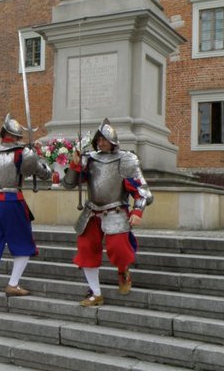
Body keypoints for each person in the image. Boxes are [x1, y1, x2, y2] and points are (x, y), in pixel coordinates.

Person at [62, 118, 153, 307]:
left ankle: (122, 271)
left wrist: (137, 211)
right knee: (86, 251)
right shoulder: (89, 159)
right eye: (99, 139)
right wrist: (74, 165)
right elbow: (69, 184)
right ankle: (95, 293)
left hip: (116, 211)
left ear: (113, 141)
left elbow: (143, 192)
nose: (101, 142)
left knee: (119, 250)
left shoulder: (126, 159)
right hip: (91, 213)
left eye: (105, 139)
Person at [0, 113, 52, 313]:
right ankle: (13, 284)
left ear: (2, 133)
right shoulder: (23, 153)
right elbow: (46, 174)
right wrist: (37, 156)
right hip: (11, 201)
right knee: (23, 244)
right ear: (16, 136)